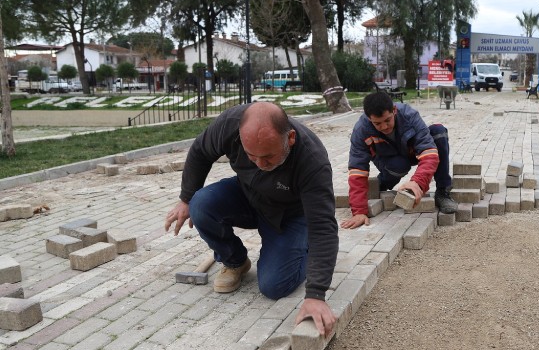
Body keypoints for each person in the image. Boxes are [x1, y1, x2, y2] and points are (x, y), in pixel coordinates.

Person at [164, 101, 338, 336]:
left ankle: (301, 248)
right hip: (249, 196)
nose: (259, 164)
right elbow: (200, 151)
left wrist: (316, 294)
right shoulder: (229, 125)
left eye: (268, 157)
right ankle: (235, 262)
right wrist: (185, 198)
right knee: (200, 205)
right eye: (251, 156)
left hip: (289, 215)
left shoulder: (312, 161)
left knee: (274, 286)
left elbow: (323, 227)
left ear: (291, 138)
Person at [341, 92, 458, 229]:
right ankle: (382, 183)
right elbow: (357, 170)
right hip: (389, 160)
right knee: (399, 166)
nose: (384, 127)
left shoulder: (409, 115)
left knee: (438, 132)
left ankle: (442, 192)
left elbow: (429, 153)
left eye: (387, 120)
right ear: (368, 118)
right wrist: (359, 211)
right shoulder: (361, 130)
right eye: (377, 123)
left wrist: (417, 183)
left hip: (412, 152)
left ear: (394, 110)